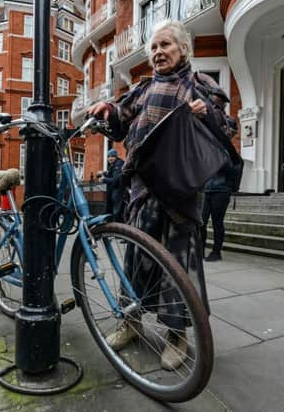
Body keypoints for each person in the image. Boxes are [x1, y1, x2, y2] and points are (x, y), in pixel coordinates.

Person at [87, 19, 231, 369]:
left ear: (183, 49)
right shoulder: (143, 88)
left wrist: (206, 113)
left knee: (178, 265)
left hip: (182, 192)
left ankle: (177, 335)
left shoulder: (202, 86)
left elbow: (227, 129)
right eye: (153, 47)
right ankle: (130, 322)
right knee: (136, 259)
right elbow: (120, 121)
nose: (158, 52)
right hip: (142, 190)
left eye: (165, 45)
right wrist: (108, 109)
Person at [201, 148, 235, 262]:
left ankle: (216, 252)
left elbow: (229, 168)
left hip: (221, 191)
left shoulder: (227, 152)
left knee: (217, 222)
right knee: (201, 222)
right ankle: (200, 250)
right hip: (206, 190)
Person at [97, 148, 125, 222]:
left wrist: (104, 179)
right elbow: (112, 173)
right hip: (113, 193)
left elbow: (116, 180)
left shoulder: (118, 164)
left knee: (117, 214)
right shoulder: (114, 165)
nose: (110, 158)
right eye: (108, 157)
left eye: (112, 156)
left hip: (117, 194)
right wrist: (104, 173)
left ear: (115, 157)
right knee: (111, 212)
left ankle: (119, 230)